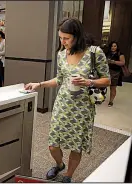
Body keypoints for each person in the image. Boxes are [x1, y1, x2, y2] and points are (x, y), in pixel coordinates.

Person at [25, 18, 110, 183]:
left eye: (66, 38)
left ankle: (68, 175)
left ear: (77, 37)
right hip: (63, 105)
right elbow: (60, 79)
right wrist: (40, 84)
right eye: (60, 38)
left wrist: (89, 82)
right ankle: (59, 164)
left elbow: (107, 80)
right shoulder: (61, 54)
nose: (62, 42)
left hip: (83, 108)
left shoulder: (94, 52)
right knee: (53, 145)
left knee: (76, 146)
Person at [105, 41, 126, 107]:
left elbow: (122, 63)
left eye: (115, 46)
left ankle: (111, 101)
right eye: (112, 46)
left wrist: (113, 62)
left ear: (117, 47)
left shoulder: (120, 54)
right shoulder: (107, 53)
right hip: (107, 72)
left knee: (113, 87)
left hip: (116, 73)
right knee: (102, 85)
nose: (113, 47)